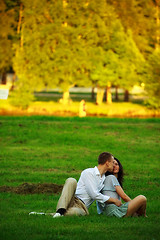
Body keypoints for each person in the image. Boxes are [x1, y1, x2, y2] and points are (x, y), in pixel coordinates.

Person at [53, 152, 122, 218]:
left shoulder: (104, 178)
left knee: (75, 212)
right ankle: (60, 210)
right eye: (112, 162)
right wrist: (114, 200)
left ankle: (57, 214)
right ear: (107, 163)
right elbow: (94, 194)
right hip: (72, 199)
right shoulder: (89, 172)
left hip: (82, 207)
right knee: (71, 180)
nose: (114, 165)